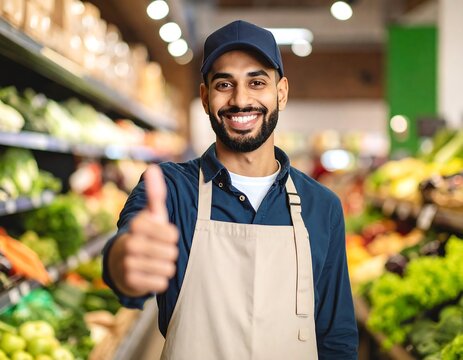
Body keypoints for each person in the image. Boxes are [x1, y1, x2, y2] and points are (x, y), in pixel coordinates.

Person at [103, 20, 359, 359]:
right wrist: (126, 263)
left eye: (257, 82)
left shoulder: (321, 205)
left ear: (280, 92)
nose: (241, 100)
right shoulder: (171, 190)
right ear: (206, 96)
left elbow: (336, 336)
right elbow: (123, 262)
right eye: (225, 84)